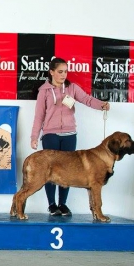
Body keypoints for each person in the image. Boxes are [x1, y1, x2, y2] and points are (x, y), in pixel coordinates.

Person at [30, 57, 110, 216]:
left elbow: (87, 99)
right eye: (60, 72)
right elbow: (39, 116)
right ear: (51, 72)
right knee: (49, 171)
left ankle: (63, 204)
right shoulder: (44, 91)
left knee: (68, 171)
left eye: (65, 72)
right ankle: (52, 205)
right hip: (50, 135)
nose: (63, 75)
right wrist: (34, 136)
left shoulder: (72, 88)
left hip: (69, 135)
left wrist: (101, 105)